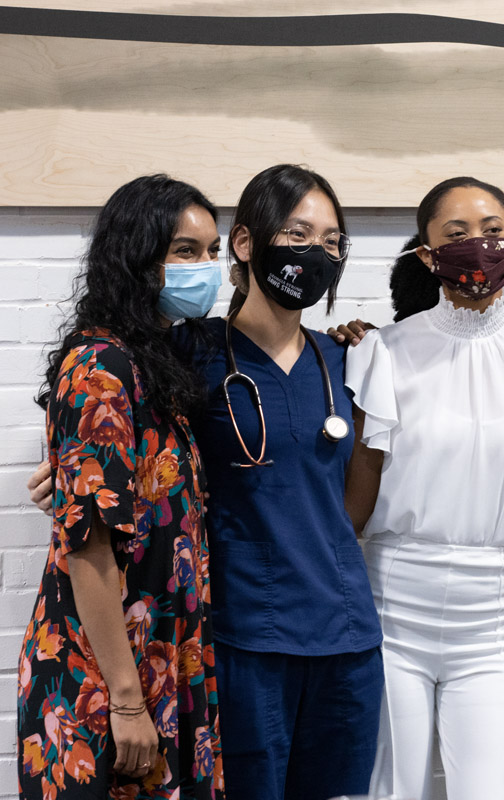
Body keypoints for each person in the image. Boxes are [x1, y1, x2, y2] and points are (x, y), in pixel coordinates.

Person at [343, 176, 504, 800]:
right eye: (456, 235)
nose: (477, 246)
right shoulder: (384, 350)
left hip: (497, 618)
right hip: (390, 609)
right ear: (427, 255)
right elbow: (360, 495)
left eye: (491, 231)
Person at [180, 164, 383, 800]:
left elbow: (353, 504)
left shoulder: (345, 357)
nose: (315, 254)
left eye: (330, 242)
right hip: (246, 635)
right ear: (245, 243)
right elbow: (111, 427)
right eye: (298, 234)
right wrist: (70, 473)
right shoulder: (193, 353)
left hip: (344, 634)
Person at [18, 175, 224, 798]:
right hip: (103, 677)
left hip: (162, 656)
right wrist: (128, 702)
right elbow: (89, 548)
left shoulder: (154, 362)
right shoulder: (101, 368)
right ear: (137, 257)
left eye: (214, 251)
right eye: (185, 251)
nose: (206, 268)